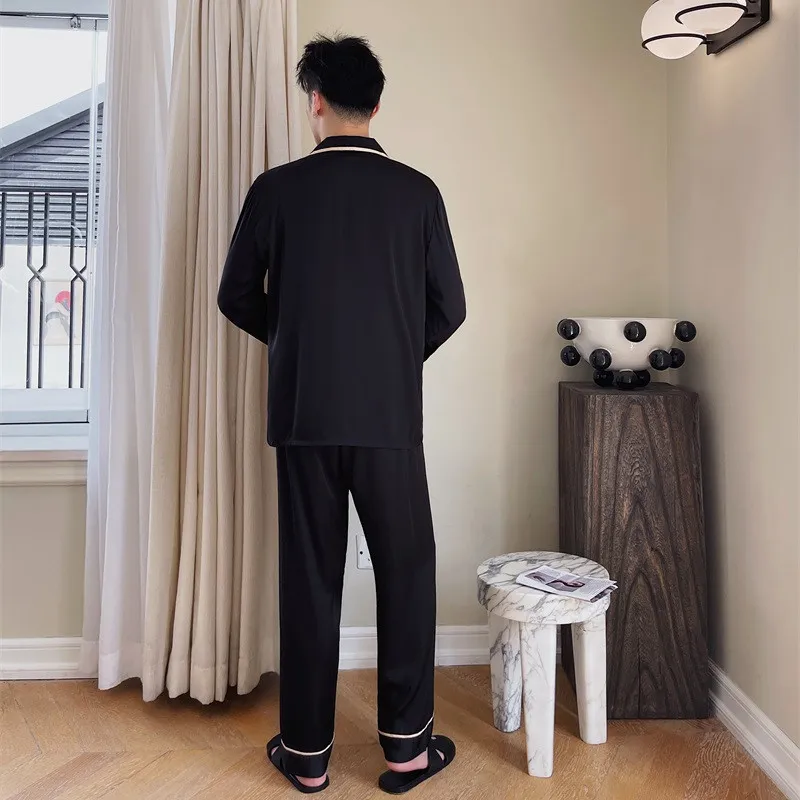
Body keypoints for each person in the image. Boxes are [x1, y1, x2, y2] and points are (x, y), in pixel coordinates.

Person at [218, 34, 466, 795]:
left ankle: (307, 757)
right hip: (388, 420)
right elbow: (450, 307)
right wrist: (389, 355)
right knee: (408, 573)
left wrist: (295, 341)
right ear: (377, 105)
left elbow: (235, 295)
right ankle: (408, 751)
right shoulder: (417, 192)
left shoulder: (275, 189)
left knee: (310, 580)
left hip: (305, 416)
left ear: (316, 101)